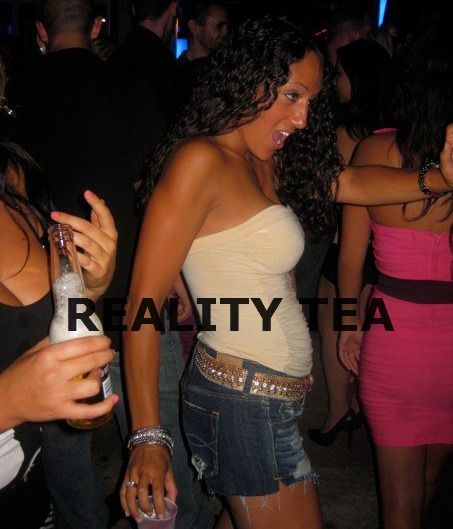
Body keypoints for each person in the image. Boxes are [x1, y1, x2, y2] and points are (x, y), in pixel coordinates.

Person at [120, 17, 453, 529]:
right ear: (251, 81)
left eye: (311, 102)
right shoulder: (201, 162)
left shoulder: (266, 161)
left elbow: (356, 184)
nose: (301, 119)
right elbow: (141, 306)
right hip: (241, 403)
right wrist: (147, 436)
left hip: (263, 400)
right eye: (292, 96)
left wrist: (437, 177)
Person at [338, 23, 453, 529]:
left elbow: (348, 260)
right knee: (428, 491)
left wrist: (347, 324)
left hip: (395, 336)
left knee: (399, 510)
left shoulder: (375, 153)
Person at [0, 139, 118, 528]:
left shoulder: (11, 174)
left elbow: (46, 317)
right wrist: (8, 401)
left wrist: (91, 288)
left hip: (35, 493)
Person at [308, 39, 394, 446]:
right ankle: (360, 405)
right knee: (370, 329)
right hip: (386, 252)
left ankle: (339, 411)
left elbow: (331, 196)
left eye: (339, 73)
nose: (334, 81)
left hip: (348, 248)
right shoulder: (396, 133)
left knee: (336, 329)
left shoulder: (347, 134)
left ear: (357, 80)